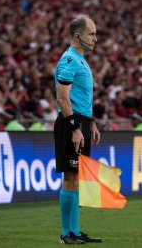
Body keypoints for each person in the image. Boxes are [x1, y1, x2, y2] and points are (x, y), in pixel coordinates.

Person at [54, 17, 101, 245]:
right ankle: (66, 234)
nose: (95, 38)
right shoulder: (69, 60)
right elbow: (62, 98)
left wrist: (90, 122)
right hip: (70, 123)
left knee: (77, 177)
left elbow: (80, 97)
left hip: (81, 122)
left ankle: (75, 230)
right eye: (91, 33)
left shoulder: (81, 60)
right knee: (70, 177)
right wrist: (74, 127)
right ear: (78, 36)